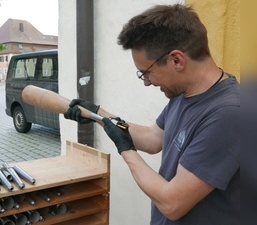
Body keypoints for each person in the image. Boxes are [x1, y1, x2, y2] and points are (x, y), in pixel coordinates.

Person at [64, 4, 240, 225]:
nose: (146, 83)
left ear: (177, 60)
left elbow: (172, 204)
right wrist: (98, 115)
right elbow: (151, 139)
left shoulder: (229, 115)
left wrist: (125, 149)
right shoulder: (183, 94)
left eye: (146, 72)